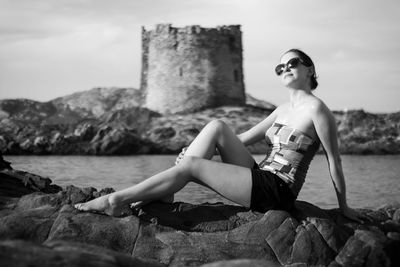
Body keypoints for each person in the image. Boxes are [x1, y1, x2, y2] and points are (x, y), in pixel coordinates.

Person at [75, 48, 368, 223]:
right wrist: (193, 150)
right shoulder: (281, 110)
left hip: (278, 191)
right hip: (260, 175)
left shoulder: (318, 110)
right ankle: (166, 192)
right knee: (215, 126)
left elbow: (335, 162)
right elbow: (238, 138)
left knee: (191, 167)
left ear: (309, 69)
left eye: (293, 63)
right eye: (281, 67)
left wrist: (344, 208)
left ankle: (115, 201)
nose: (286, 69)